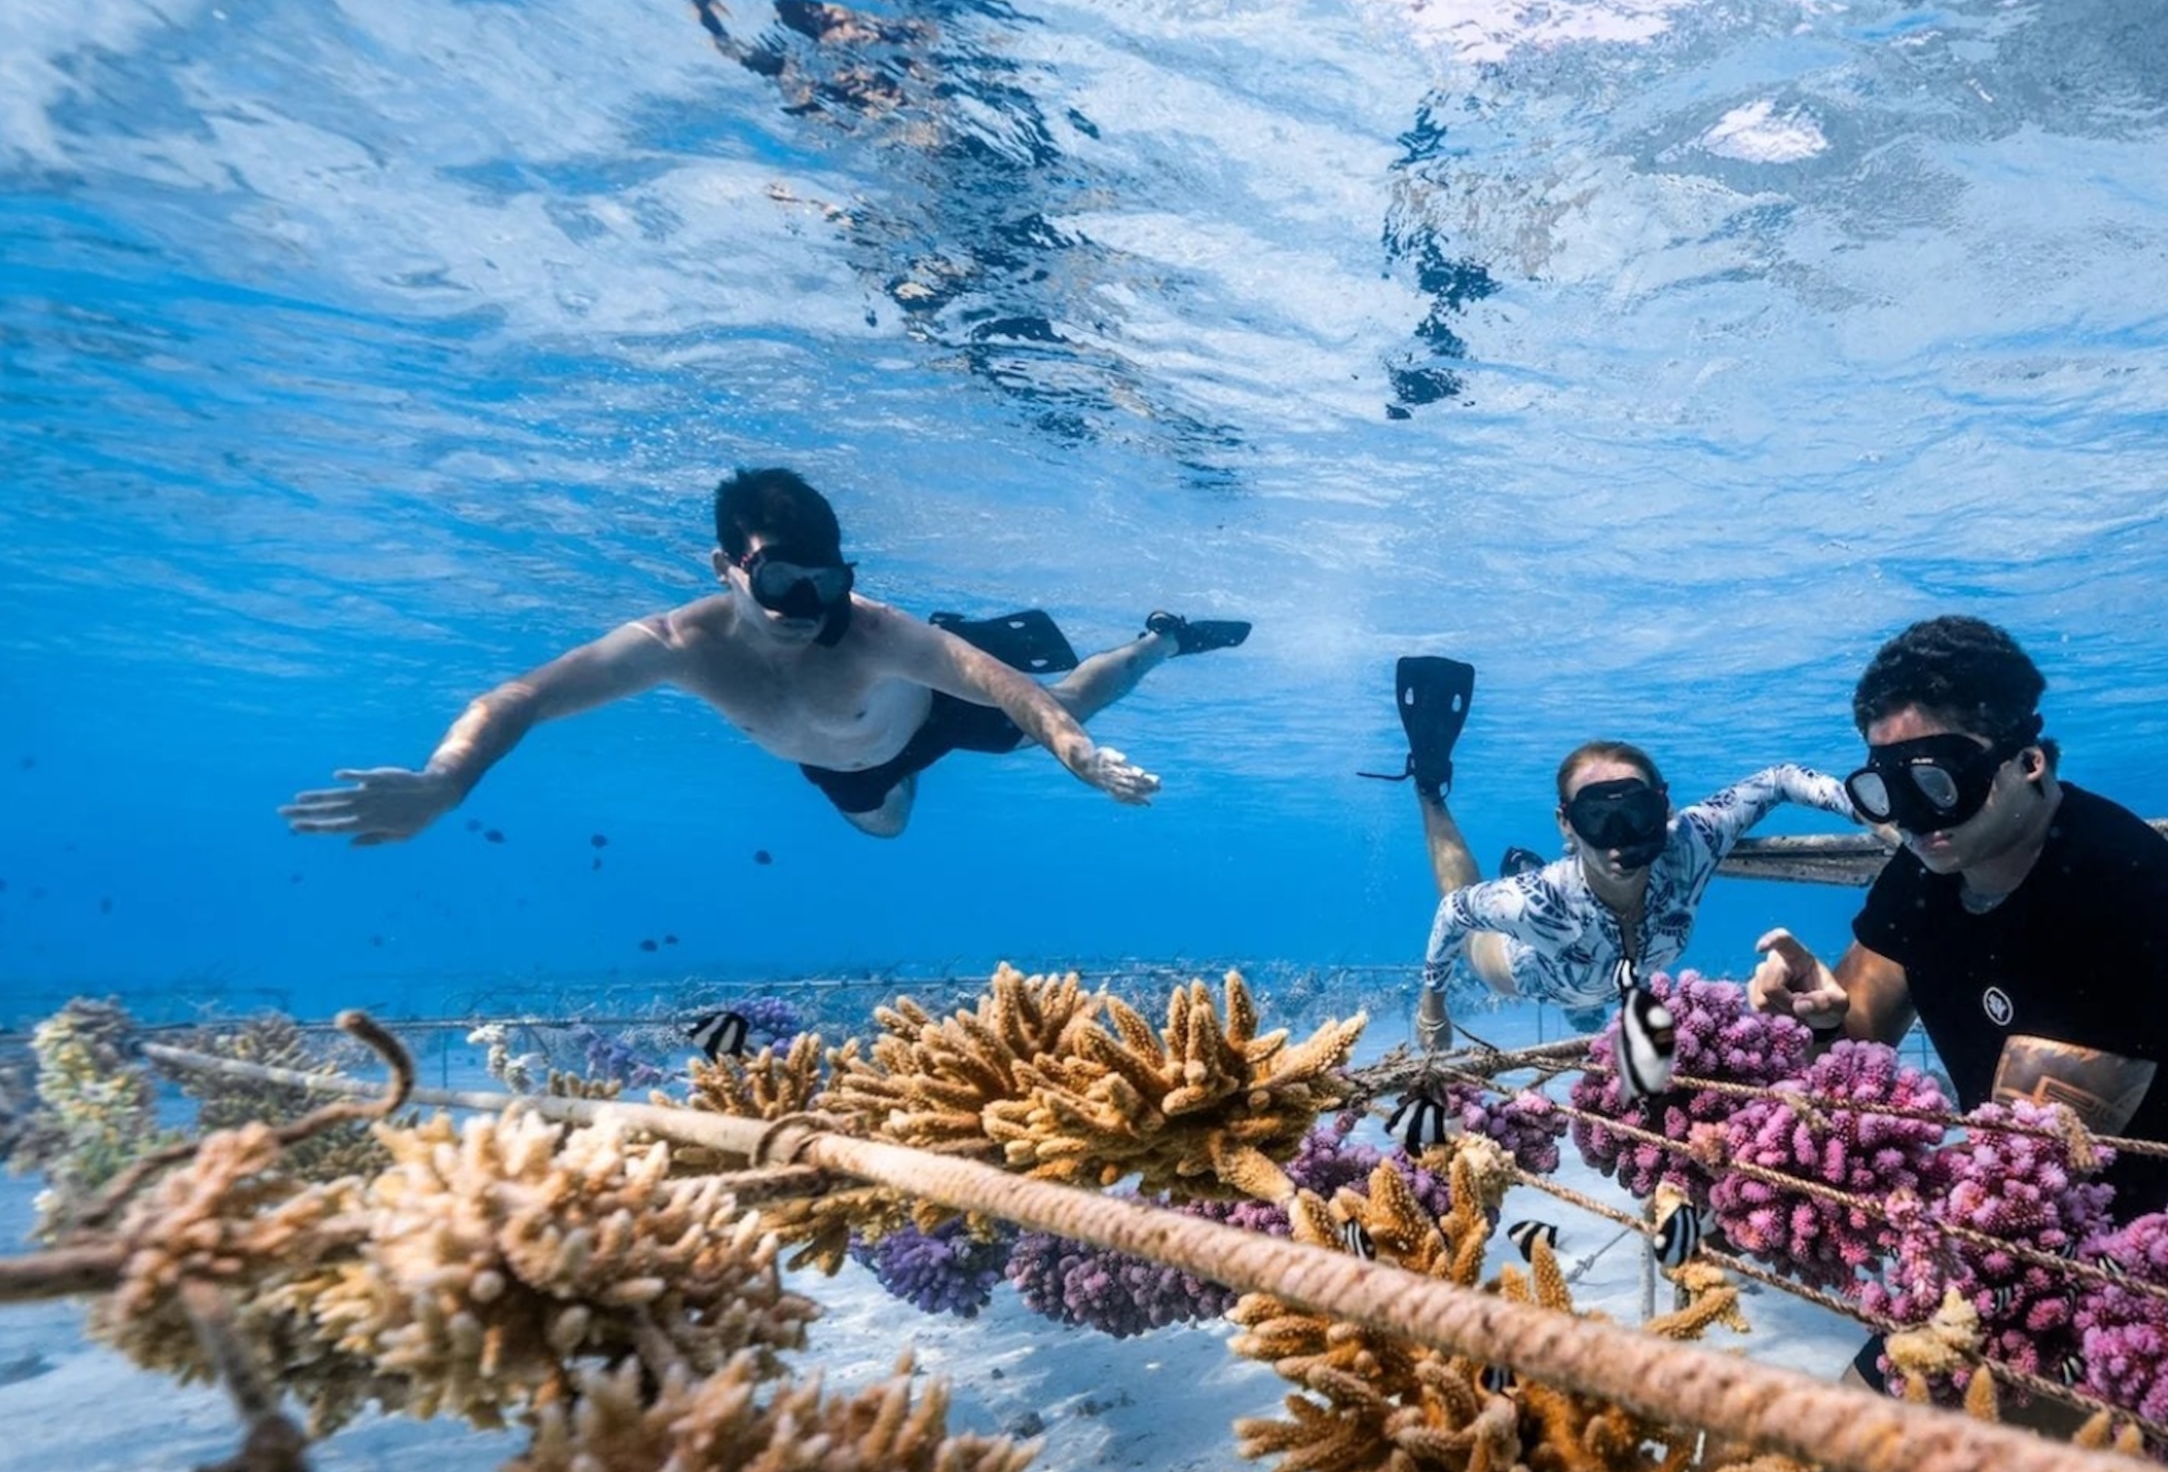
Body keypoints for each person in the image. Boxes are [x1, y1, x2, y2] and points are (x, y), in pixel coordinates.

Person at [279, 466, 1249, 844]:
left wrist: (1076, 752)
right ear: (726, 571)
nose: (808, 610)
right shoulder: (677, 647)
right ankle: (926, 772)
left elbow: (1002, 689)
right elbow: (520, 697)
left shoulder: (871, 630)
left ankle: (1159, 636)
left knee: (1066, 695)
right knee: (888, 829)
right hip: (846, 761)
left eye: (829, 584)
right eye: (785, 586)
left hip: (929, 702)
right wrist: (448, 778)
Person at [1747, 615, 2168, 1222]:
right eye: (1889, 789)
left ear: (2028, 760)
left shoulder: (2121, 891)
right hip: (2065, 1230)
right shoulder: (1927, 868)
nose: (1915, 816)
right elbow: (1851, 1048)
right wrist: (1821, 1016)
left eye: (1937, 782)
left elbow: (2028, 1169)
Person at [1376, 656, 1855, 1051]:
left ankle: (1518, 854)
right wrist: (1431, 1007)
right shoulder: (1535, 903)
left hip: (1607, 971)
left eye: (1635, 813)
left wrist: (1867, 808)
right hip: (1532, 970)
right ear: (1567, 823)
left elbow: (1778, 779)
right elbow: (1454, 910)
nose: (1619, 840)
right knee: (1475, 929)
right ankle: (1430, 789)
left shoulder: (1688, 842)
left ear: (1662, 809)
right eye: (1597, 821)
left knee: (1589, 996)